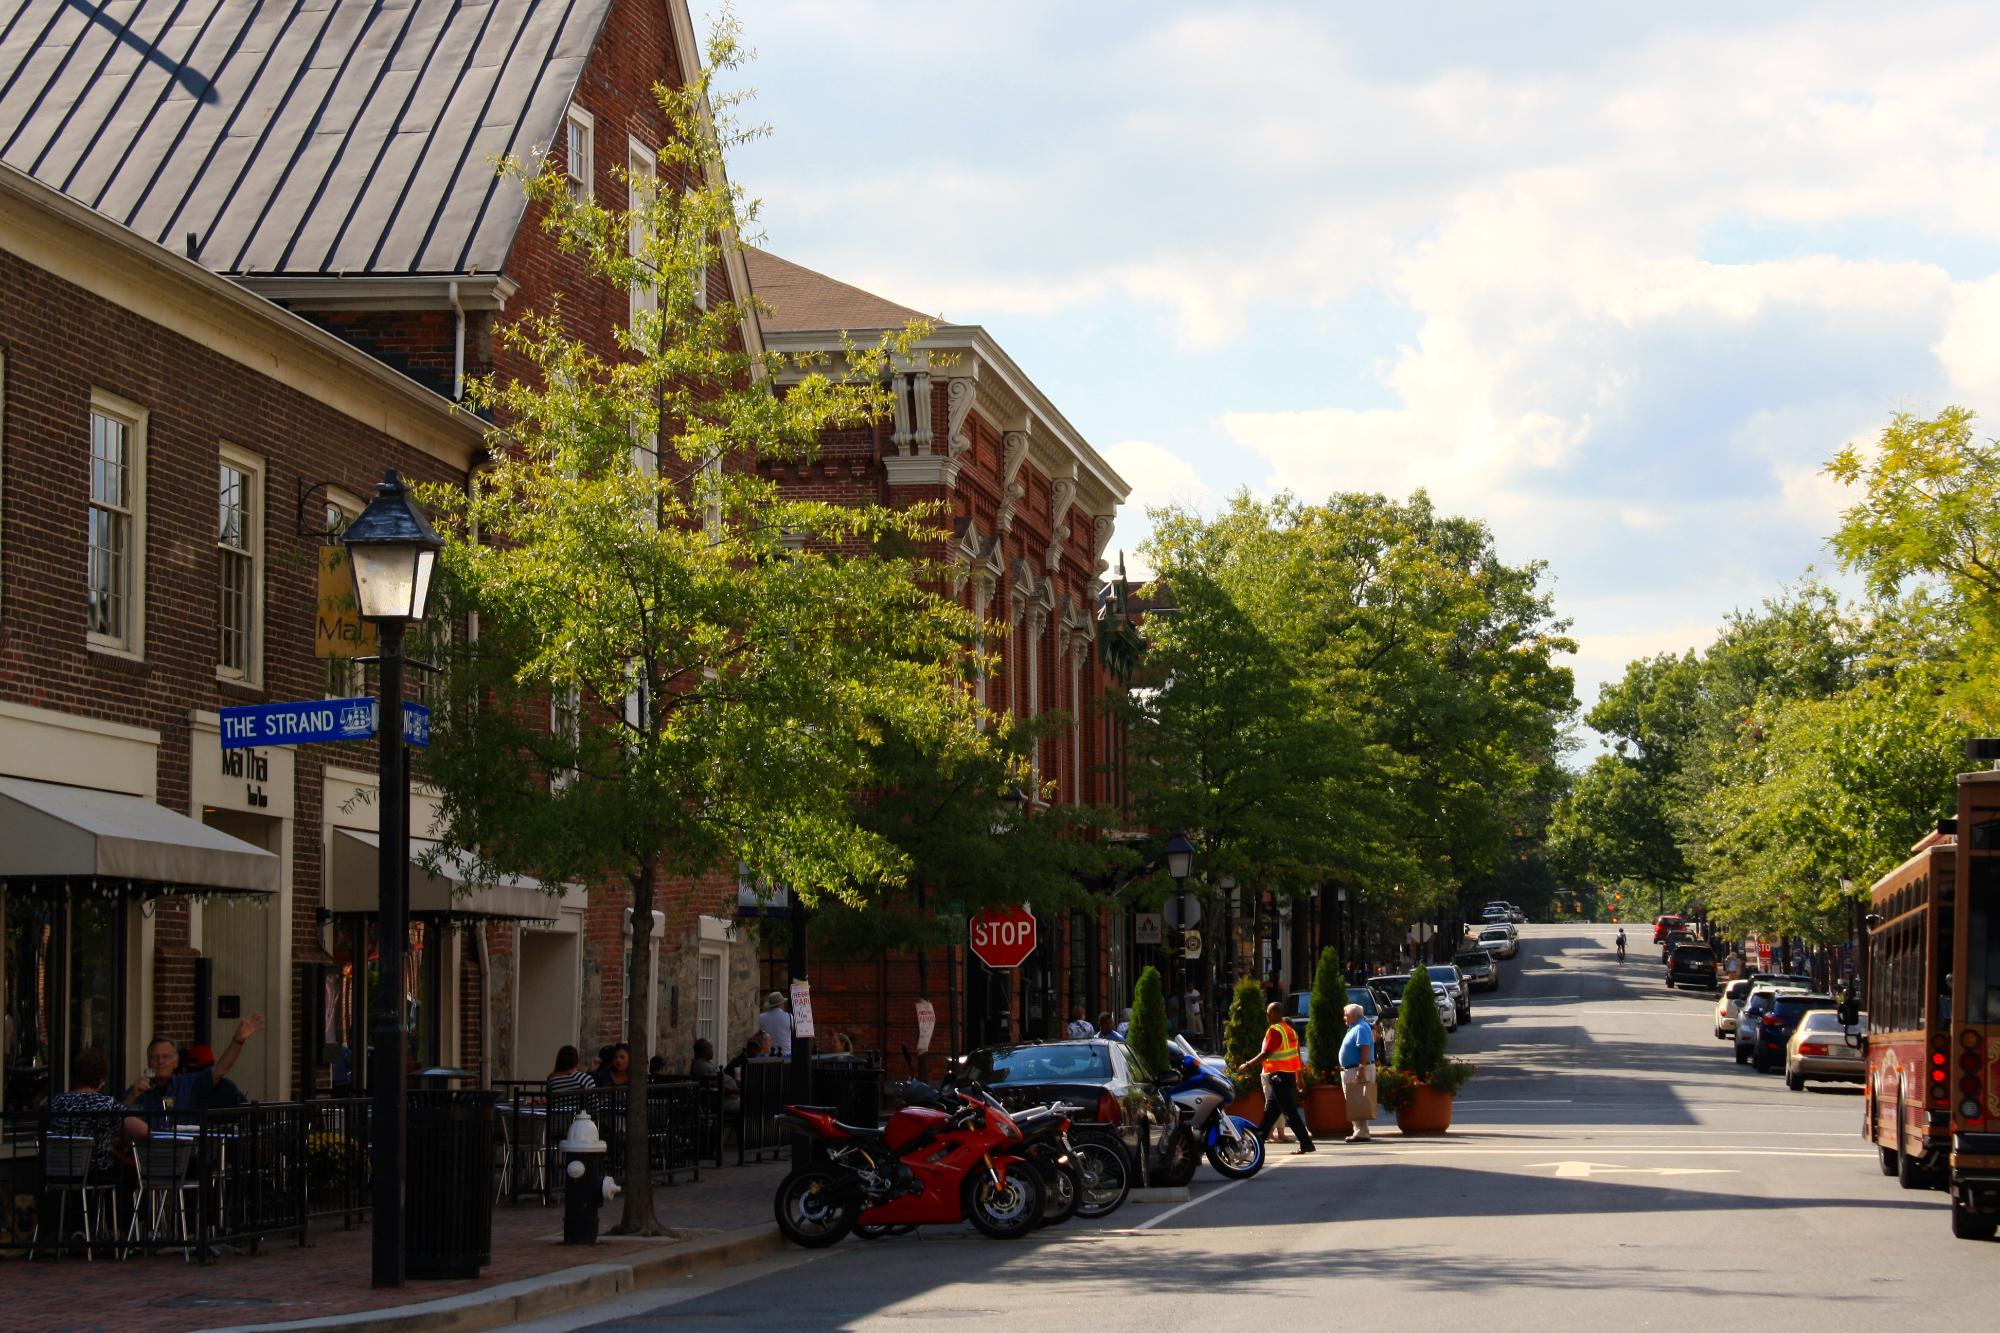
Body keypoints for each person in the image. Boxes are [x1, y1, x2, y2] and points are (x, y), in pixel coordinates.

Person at [127, 1012, 265, 1126]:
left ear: (176, 1062)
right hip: (148, 1155)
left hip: (186, 1154)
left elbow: (220, 1070)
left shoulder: (189, 1085)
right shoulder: (139, 1090)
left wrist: (238, 1041)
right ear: (148, 1061)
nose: (160, 1061)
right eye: (155, 1057)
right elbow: (114, 1121)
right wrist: (132, 1096)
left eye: (165, 1057)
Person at [52, 1047, 148, 1177]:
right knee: (130, 1172)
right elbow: (143, 1131)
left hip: (60, 1172)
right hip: (96, 1172)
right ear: (102, 1079)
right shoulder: (105, 1104)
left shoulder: (58, 1102)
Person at [1232, 1002, 1313, 1153]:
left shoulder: (1275, 1030)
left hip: (1279, 1076)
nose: (1267, 1015)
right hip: (1285, 1076)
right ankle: (1258, 1141)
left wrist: (1248, 1064)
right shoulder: (1290, 1030)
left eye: (1269, 1012)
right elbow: (1295, 1057)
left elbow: (1266, 1053)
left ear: (1276, 1013)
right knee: (1271, 1112)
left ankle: (1306, 1143)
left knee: (1290, 1113)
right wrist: (1298, 1076)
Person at [1338, 1002, 1377, 1143]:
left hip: (1357, 1068)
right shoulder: (1356, 1027)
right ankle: (1361, 1131)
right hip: (1353, 1068)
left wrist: (1361, 1068)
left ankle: (1361, 1132)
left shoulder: (1361, 1027)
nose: (1344, 1017)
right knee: (1356, 1100)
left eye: (1346, 1015)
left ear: (1354, 1016)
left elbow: (1365, 1048)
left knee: (1358, 1100)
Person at [758, 992, 794, 1058]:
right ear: (781, 1004)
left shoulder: (761, 1018)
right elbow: (794, 1034)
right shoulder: (789, 1016)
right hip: (786, 1054)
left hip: (768, 1057)